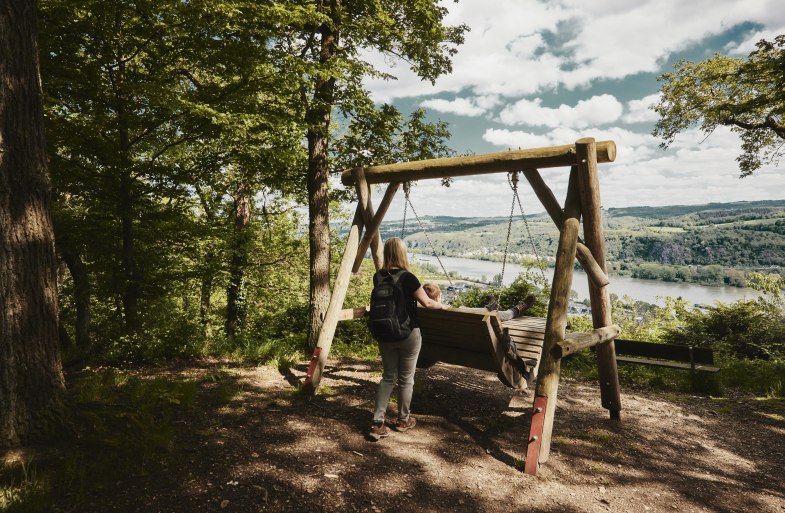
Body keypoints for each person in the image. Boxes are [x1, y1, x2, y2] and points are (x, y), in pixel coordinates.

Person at [370, 238, 447, 441]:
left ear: (386, 253)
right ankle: (403, 420)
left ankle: (377, 423)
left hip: (384, 333)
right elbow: (428, 303)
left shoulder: (378, 277)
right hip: (408, 334)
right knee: (406, 379)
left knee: (388, 377)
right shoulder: (408, 278)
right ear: (403, 253)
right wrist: (443, 306)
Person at [422, 282, 535, 321]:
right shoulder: (443, 308)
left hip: (444, 337)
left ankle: (491, 306)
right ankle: (516, 310)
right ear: (437, 297)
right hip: (465, 333)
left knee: (463, 309)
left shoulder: (418, 309)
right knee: (496, 315)